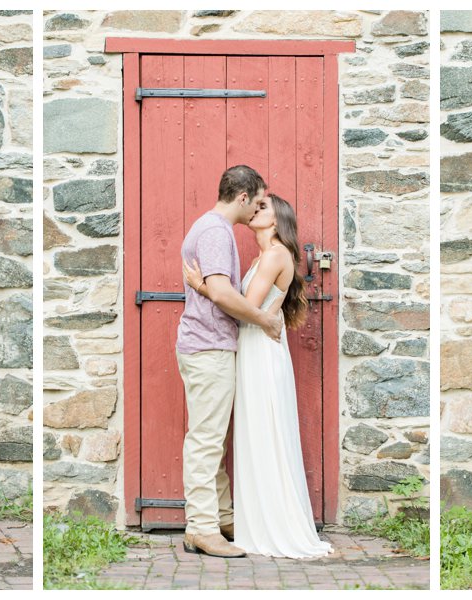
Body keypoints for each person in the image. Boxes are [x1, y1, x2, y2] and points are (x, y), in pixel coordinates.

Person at [184, 194, 332, 559]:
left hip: (261, 352)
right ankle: (247, 519)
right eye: (256, 205)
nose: (255, 211)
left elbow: (246, 306)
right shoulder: (262, 257)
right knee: (251, 431)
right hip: (251, 346)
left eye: (263, 208)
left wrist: (202, 286)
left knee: (264, 430)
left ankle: (270, 522)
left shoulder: (275, 254)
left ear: (277, 219)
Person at [174, 165, 284, 559]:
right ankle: (201, 528)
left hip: (206, 345)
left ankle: (221, 517)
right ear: (242, 198)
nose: (256, 209)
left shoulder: (208, 227)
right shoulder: (217, 231)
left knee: (213, 437)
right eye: (256, 202)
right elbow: (221, 293)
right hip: (208, 347)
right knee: (206, 440)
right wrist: (265, 318)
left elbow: (213, 289)